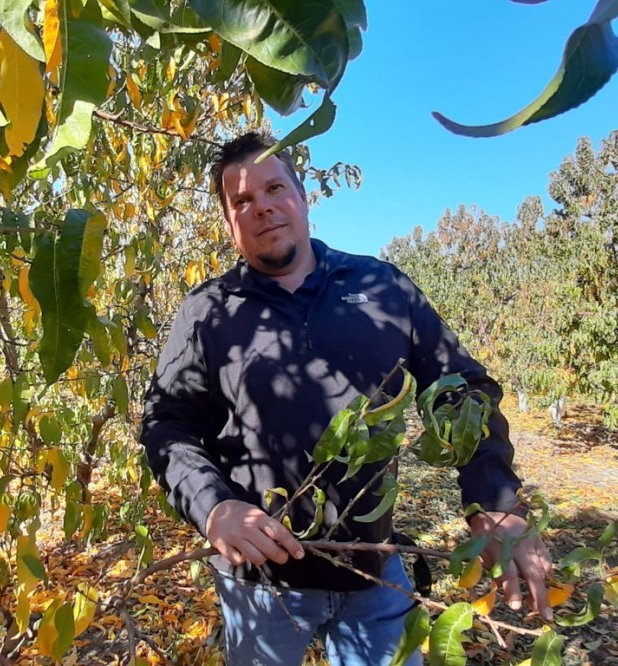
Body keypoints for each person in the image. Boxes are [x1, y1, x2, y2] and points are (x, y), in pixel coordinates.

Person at [139, 131, 553, 665]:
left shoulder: (382, 287)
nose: (261, 207)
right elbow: (165, 424)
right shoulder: (207, 312)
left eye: (274, 188)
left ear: (302, 195)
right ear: (228, 221)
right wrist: (212, 506)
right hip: (259, 589)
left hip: (376, 573)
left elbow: (462, 387)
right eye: (241, 200)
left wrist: (495, 504)